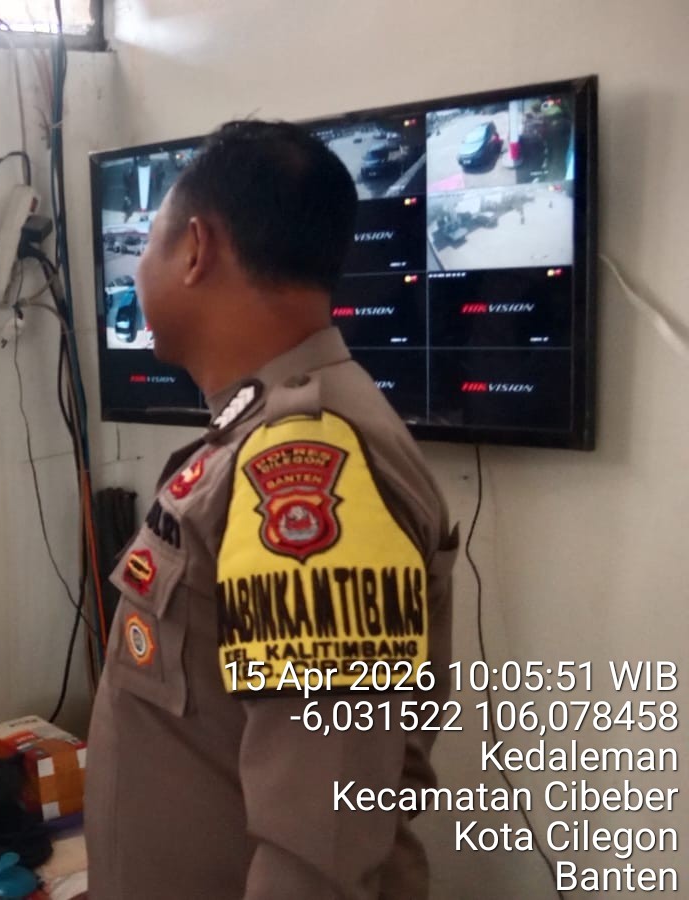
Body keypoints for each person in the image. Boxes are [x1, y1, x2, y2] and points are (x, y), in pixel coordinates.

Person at [85, 120, 457, 899]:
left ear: (196, 248)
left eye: (148, 243)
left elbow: (317, 847)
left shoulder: (313, 464)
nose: (139, 269)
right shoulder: (255, 433)